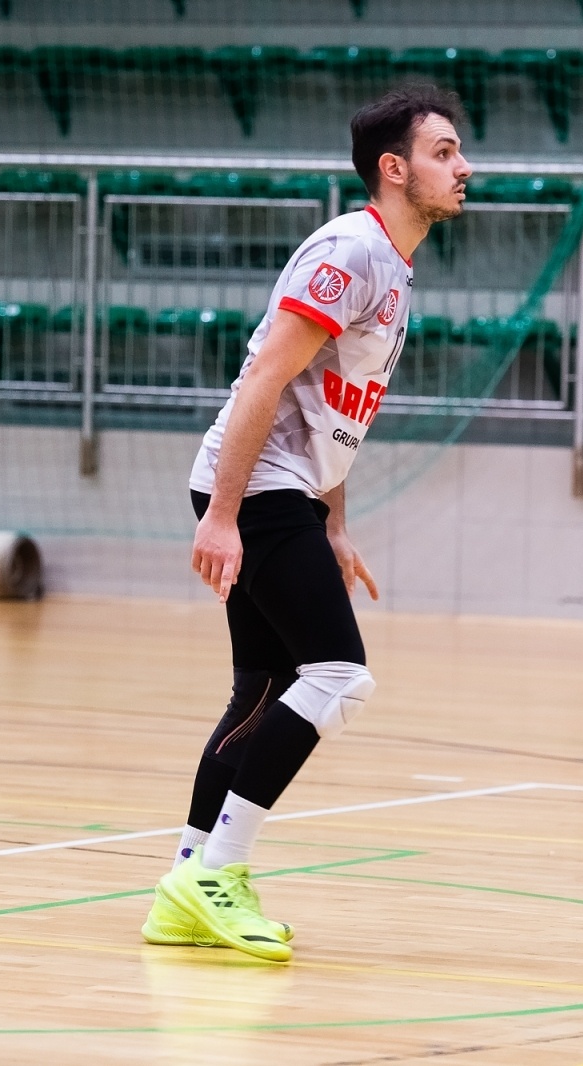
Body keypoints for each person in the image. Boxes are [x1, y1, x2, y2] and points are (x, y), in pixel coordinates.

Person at [142, 85, 471, 963]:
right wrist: (222, 514)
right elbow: (260, 382)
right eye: (445, 152)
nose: (463, 166)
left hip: (285, 491)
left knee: (260, 690)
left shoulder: (393, 265)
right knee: (338, 676)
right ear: (394, 169)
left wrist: (333, 520)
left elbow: (332, 411)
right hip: (252, 490)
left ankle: (185, 883)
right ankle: (218, 874)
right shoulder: (349, 252)